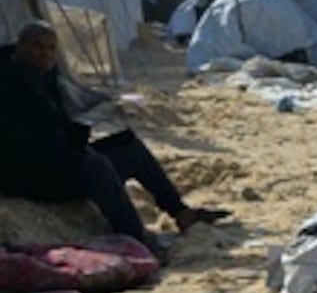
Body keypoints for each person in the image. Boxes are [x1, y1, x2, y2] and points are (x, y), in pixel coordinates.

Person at [0, 20, 229, 260]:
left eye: (50, 48)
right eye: (37, 46)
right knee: (96, 165)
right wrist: (70, 147)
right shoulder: (8, 85)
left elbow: (55, 126)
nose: (44, 54)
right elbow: (20, 144)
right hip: (27, 176)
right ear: (20, 46)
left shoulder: (43, 77)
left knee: (128, 146)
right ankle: (138, 242)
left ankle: (180, 212)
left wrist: (72, 140)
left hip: (54, 159)